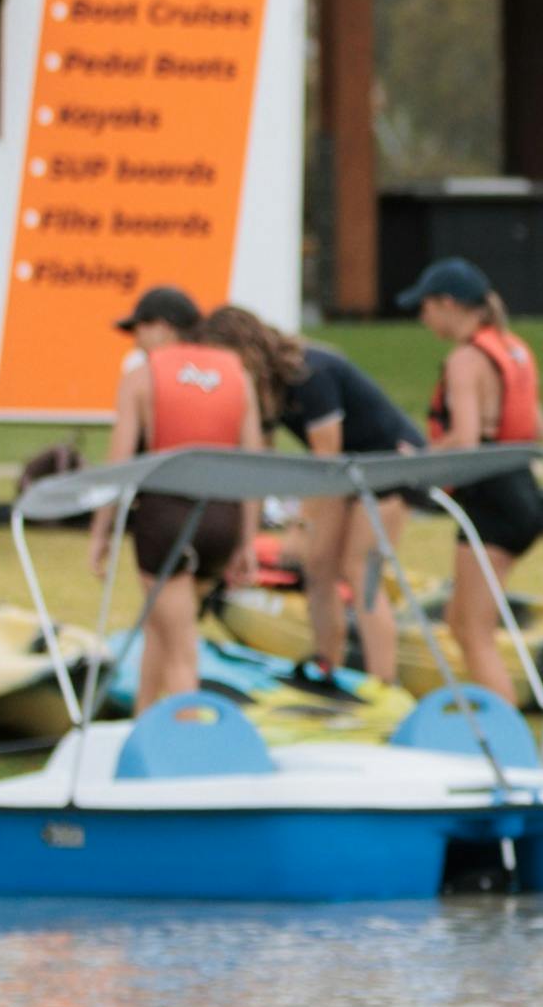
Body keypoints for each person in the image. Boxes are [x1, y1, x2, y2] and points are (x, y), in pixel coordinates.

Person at [204, 302, 420, 690]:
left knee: (359, 569)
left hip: (391, 468)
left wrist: (301, 524)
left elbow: (326, 452)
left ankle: (384, 686)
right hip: (346, 474)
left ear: (243, 348)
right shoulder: (262, 388)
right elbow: (261, 457)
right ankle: (327, 669)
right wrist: (245, 532)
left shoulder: (308, 371)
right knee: (317, 568)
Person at [91, 283, 258, 707]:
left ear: (163, 327)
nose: (136, 341)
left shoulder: (140, 378)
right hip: (222, 520)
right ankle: (144, 720)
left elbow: (119, 467)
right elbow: (254, 464)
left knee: (182, 648)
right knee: (159, 628)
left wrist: (100, 533)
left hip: (165, 520)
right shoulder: (237, 374)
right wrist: (247, 541)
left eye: (139, 329)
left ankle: (187, 750)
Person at [405, 257, 543, 703]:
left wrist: (416, 459)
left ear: (448, 304)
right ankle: (487, 718)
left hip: (491, 501)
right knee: (461, 619)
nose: (422, 318)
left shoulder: (466, 360)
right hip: (521, 490)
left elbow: (466, 438)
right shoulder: (514, 348)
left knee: (473, 631)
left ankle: (507, 740)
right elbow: (538, 429)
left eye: (425, 307)